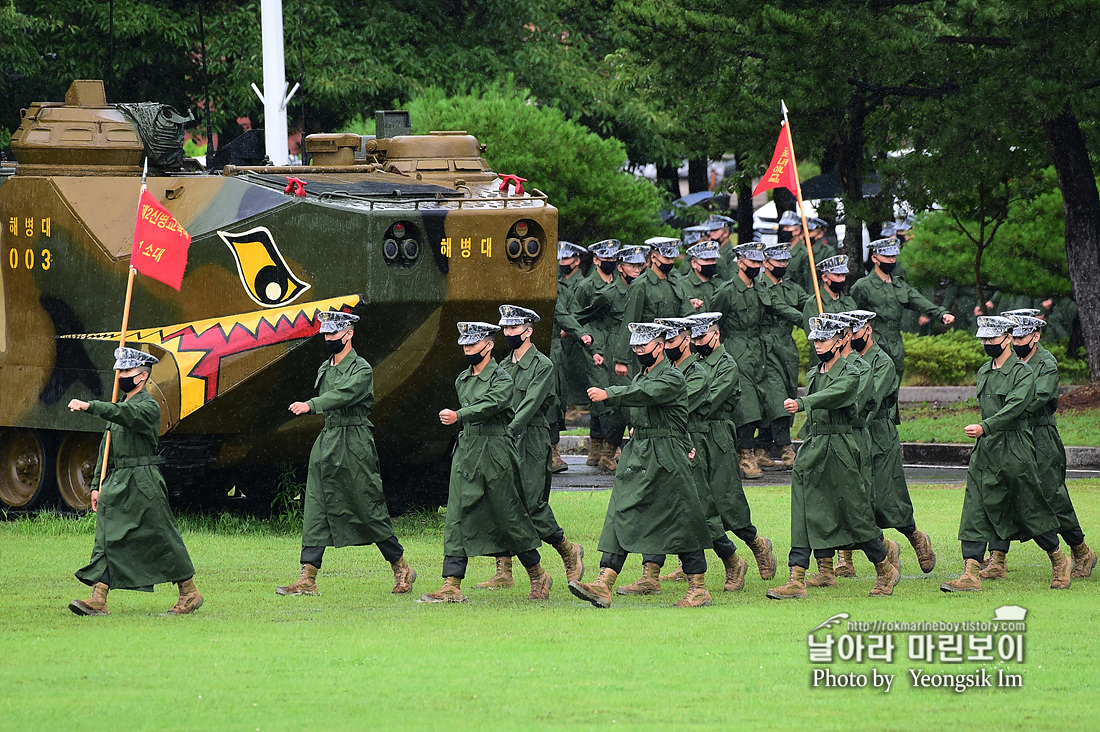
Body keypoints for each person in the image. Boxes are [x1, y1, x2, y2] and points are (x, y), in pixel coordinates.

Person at [571, 322, 713, 608]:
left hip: (668, 456)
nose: (638, 351)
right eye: (634, 346)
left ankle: (698, 587)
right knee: (621, 511)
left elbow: (646, 395)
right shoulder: (642, 375)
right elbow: (641, 405)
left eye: (643, 346)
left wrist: (610, 393)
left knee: (682, 519)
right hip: (641, 454)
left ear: (660, 346)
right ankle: (604, 582)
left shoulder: (671, 377)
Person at [277, 310, 416, 597]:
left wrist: (311, 404)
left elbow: (343, 395)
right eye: (325, 334)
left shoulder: (361, 369)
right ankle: (308, 577)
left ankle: (401, 566)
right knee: (316, 506)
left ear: (348, 333)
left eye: (333, 333)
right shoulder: (325, 367)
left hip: (354, 441)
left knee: (367, 506)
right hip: (328, 439)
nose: (328, 339)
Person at [767, 316, 900, 600]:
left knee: (854, 512)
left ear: (841, 340)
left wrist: (803, 403)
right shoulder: (815, 373)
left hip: (842, 445)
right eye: (814, 340)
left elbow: (840, 393)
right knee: (803, 511)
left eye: (823, 340)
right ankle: (797, 577)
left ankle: (884, 567)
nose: (817, 345)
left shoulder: (855, 370)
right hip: (815, 444)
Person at [420, 322, 550, 603]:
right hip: (468, 451)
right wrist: (463, 420)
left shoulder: (503, 378)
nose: (467, 349)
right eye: (464, 344)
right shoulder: (462, 379)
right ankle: (451, 584)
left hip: (496, 451)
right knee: (456, 515)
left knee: (508, 515)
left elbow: (492, 404)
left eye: (473, 344)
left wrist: (460, 415)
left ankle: (538, 573)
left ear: (488, 345)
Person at [68, 347, 202, 616]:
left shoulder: (147, 406)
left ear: (141, 376)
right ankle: (99, 598)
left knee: (161, 535)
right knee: (107, 535)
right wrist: (97, 484)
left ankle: (189, 592)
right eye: (119, 370)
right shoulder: (121, 406)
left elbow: (123, 416)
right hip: (117, 480)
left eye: (126, 371)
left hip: (143, 480)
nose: (121, 375)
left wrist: (90, 406)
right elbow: (106, 449)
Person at [941, 316, 1070, 592]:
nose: (988, 344)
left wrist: (985, 427)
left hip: (1014, 446)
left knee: (1028, 506)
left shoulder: (1022, 373)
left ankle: (1059, 559)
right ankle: (971, 572)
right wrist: (985, 432)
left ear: (1008, 338)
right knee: (975, 507)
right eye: (984, 339)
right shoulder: (984, 371)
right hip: (987, 449)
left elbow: (1014, 407)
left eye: (992, 339)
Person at [811, 310, 937, 585]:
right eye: (844, 334)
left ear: (867, 330)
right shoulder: (838, 362)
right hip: (847, 434)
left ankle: (915, 536)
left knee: (886, 498)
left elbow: (868, 401)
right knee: (844, 496)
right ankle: (841, 562)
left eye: (853, 333)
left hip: (876, 433)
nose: (848, 338)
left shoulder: (881, 363)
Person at [977, 312, 1095, 581]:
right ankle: (998, 558)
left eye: (1022, 336)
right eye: (1014, 336)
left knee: (1051, 496)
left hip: (1040, 435)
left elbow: (1036, 398)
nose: (1017, 341)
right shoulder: (1005, 363)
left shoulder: (1045, 363)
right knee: (1003, 492)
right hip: (1012, 434)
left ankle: (1080, 550)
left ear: (1035, 336)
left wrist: (1008, 409)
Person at [475, 305, 586, 590]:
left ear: (529, 330)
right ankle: (504, 569)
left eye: (514, 328)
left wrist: (506, 431)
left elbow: (529, 405)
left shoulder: (543, 365)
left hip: (532, 438)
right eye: (506, 328)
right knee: (501, 499)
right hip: (505, 437)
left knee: (533, 504)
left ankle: (567, 549)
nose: (509, 333)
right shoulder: (503, 365)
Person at [711, 242, 804, 480]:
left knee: (769, 401)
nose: (755, 266)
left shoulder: (761, 289)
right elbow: (712, 323)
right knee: (747, 406)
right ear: (740, 263)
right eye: (751, 262)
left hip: (759, 353)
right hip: (735, 352)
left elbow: (778, 307)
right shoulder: (727, 291)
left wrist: (808, 320)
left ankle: (760, 450)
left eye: (757, 262)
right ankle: (745, 455)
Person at [851, 237, 955, 383]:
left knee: (894, 382)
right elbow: (851, 316)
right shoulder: (863, 286)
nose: (891, 260)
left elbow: (920, 301)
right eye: (886, 256)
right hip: (873, 339)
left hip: (895, 341)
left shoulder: (900, 285)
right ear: (874, 258)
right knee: (874, 383)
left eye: (893, 256)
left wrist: (941, 314)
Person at [572, 240, 634, 473]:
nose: (609, 262)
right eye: (604, 258)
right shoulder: (590, 287)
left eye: (612, 258)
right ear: (596, 260)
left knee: (615, 398)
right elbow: (578, 317)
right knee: (604, 399)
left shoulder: (631, 288)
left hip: (621, 345)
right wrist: (586, 339)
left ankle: (606, 449)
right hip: (599, 346)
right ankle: (601, 448)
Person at [756, 243, 810, 469]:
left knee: (785, 394)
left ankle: (761, 447)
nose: (782, 265)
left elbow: (808, 303)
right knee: (777, 398)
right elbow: (778, 308)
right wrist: (804, 319)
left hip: (787, 348)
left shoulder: (791, 288)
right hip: (766, 348)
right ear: (766, 263)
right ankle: (787, 450)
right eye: (778, 262)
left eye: (785, 262)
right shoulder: (759, 286)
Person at [612, 238, 685, 379]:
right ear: (653, 257)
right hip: (646, 351)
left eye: (672, 258)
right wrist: (622, 360)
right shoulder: (641, 285)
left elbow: (685, 316)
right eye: (667, 257)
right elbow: (630, 320)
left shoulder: (674, 284)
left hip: (670, 349)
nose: (670, 261)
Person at [550, 240, 592, 472]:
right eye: (561, 259)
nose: (563, 263)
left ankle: (554, 451)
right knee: (549, 400)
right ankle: (551, 451)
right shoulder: (551, 283)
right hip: (551, 346)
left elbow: (567, 314)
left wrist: (580, 332)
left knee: (559, 398)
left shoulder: (580, 284)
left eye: (567, 259)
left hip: (565, 347)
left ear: (577, 260)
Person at [803, 255, 857, 369]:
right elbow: (815, 340)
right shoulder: (814, 304)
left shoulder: (849, 302)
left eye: (843, 275)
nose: (842, 279)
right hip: (825, 363)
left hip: (849, 363)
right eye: (837, 275)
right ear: (824, 278)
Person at [781, 212, 836, 297]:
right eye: (804, 230)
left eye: (809, 231)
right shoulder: (804, 250)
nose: (805, 234)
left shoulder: (825, 251)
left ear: (820, 234)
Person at [679, 240, 723, 314]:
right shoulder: (682, 286)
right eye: (706, 260)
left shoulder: (720, 284)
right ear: (694, 264)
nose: (711, 263)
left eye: (713, 259)